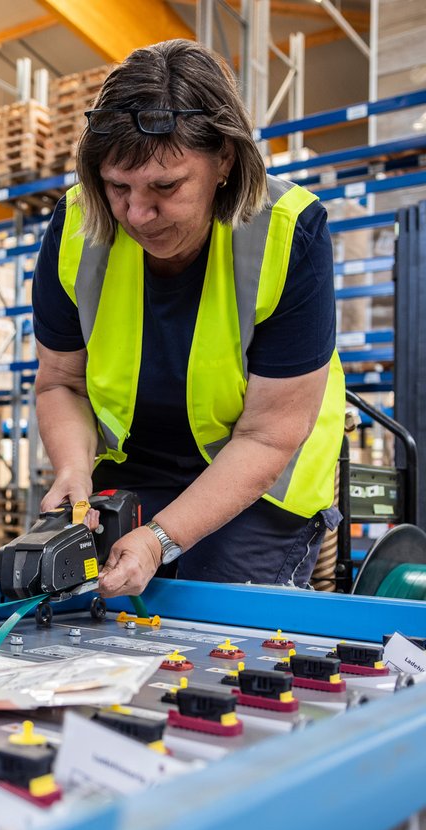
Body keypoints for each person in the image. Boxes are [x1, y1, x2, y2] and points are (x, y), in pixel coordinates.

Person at [32, 38, 344, 599]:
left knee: (218, 627)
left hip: (256, 477)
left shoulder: (287, 232)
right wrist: (73, 471)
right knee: (99, 617)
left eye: (165, 187)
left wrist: (160, 539)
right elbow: (62, 382)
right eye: (117, 186)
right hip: (134, 465)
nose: (136, 214)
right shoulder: (78, 225)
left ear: (224, 158)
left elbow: (268, 437)